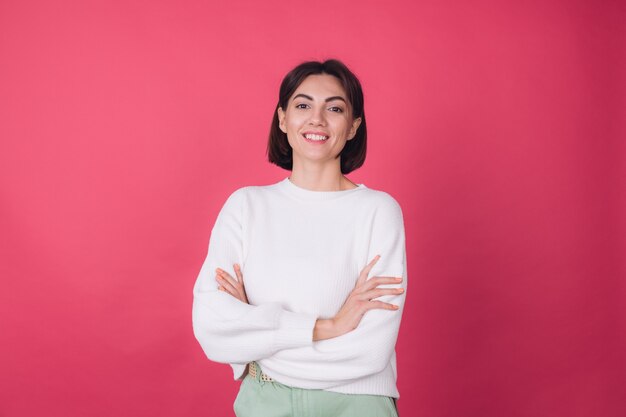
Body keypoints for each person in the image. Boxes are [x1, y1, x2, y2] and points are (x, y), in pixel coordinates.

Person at [192, 59, 407, 417]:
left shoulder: (378, 211)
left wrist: (257, 334)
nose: (317, 120)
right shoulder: (246, 206)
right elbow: (213, 328)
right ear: (282, 119)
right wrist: (332, 326)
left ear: (353, 126)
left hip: (355, 405)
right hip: (265, 401)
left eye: (334, 108)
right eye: (303, 105)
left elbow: (371, 350)